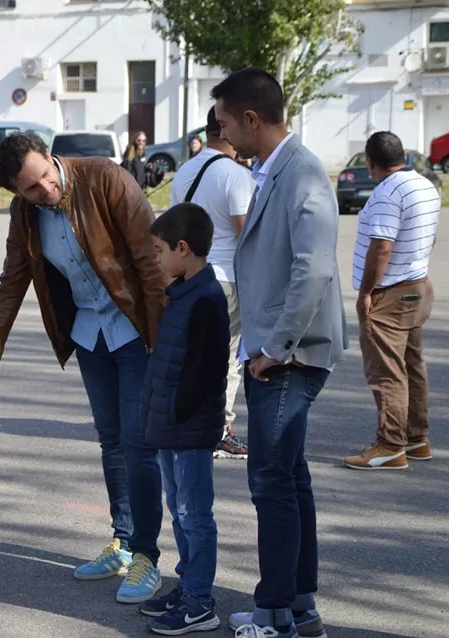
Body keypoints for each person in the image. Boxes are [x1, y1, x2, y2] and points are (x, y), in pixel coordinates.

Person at [0, 131, 168, 605]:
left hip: (135, 329)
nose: (45, 191)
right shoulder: (24, 214)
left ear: (50, 156)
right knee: (111, 440)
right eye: (30, 188)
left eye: (45, 177)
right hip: (90, 334)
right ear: (14, 192)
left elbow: (152, 262)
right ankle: (124, 543)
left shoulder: (107, 178)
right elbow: (11, 283)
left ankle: (147, 556)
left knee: (138, 442)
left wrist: (163, 338)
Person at [211, 67, 347, 638]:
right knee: (289, 479)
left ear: (250, 118)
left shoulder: (303, 172)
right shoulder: (271, 169)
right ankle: (297, 609)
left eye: (223, 123)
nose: (219, 134)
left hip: (289, 355)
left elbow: (312, 270)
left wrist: (273, 346)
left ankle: (275, 617)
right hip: (276, 350)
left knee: (271, 482)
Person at [140, 203, 228, 635]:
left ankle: (200, 601)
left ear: (182, 248)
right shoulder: (180, 293)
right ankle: (186, 584)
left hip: (188, 431)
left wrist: (176, 415)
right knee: (179, 510)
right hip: (170, 429)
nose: (155, 259)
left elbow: (207, 373)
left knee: (196, 515)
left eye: (159, 251)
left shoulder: (206, 299)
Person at [343, 132, 440, 470]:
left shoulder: (387, 191)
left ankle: (390, 444)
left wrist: (366, 292)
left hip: (391, 291)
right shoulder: (425, 185)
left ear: (371, 162)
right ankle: (416, 439)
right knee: (412, 365)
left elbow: (381, 247)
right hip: (417, 285)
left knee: (387, 371)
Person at [170, 107, 255, 460]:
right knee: (227, 359)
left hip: (190, 278)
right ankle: (219, 431)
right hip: (226, 281)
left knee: (195, 357)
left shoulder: (185, 171)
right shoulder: (234, 176)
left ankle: (192, 421)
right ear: (227, 128)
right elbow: (247, 233)